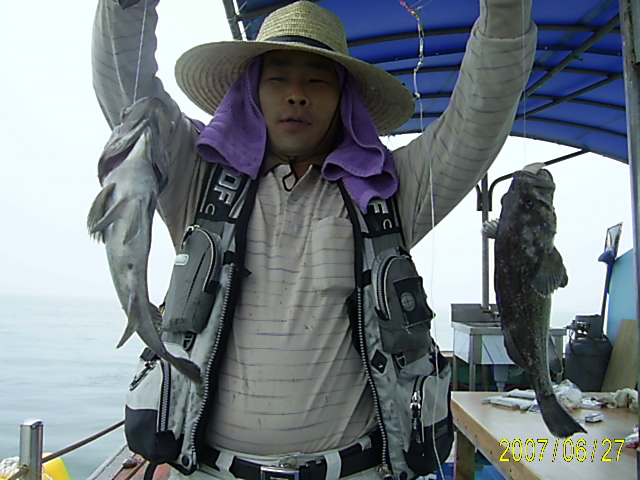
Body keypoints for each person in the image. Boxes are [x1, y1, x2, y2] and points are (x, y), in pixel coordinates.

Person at [92, 1, 536, 479]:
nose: (296, 95)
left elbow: (480, 116)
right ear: (250, 92)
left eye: (317, 81)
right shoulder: (196, 176)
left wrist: (505, 11)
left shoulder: (388, 191)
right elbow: (127, 91)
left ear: (344, 99)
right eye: (277, 78)